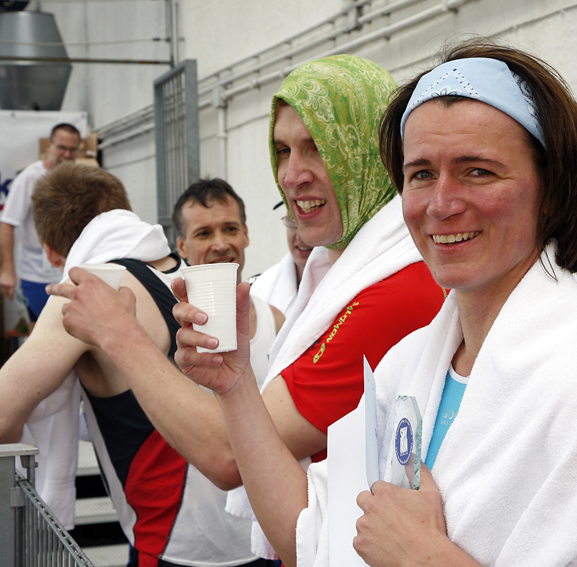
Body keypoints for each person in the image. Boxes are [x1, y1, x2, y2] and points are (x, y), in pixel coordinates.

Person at [171, 41, 577, 566]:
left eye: (478, 171)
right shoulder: (411, 366)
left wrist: (422, 558)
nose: (440, 205)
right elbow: (312, 535)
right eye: (421, 174)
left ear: (552, 191)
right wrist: (235, 385)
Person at [48, 54, 444, 556]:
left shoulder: (394, 291)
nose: (292, 175)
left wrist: (118, 333)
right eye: (282, 150)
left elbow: (226, 454)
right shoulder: (346, 274)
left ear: (373, 151)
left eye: (317, 148)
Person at [0, 163, 263, 567]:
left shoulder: (87, 292)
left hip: (177, 543)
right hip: (258, 529)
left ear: (50, 251)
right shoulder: (195, 280)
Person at [173, 178, 284, 386]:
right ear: (181, 247)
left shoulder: (275, 321)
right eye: (204, 233)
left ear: (246, 234)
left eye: (230, 229)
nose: (221, 244)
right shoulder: (172, 329)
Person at [0, 122, 80, 320]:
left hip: (71, 273)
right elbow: (7, 224)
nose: (67, 154)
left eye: (72, 149)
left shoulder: (79, 178)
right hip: (37, 276)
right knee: (42, 330)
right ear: (49, 146)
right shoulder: (30, 178)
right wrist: (8, 270)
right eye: (62, 148)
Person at [249, 203, 311, 315]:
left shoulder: (342, 287)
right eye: (292, 222)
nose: (300, 236)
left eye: (310, 223)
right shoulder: (258, 287)